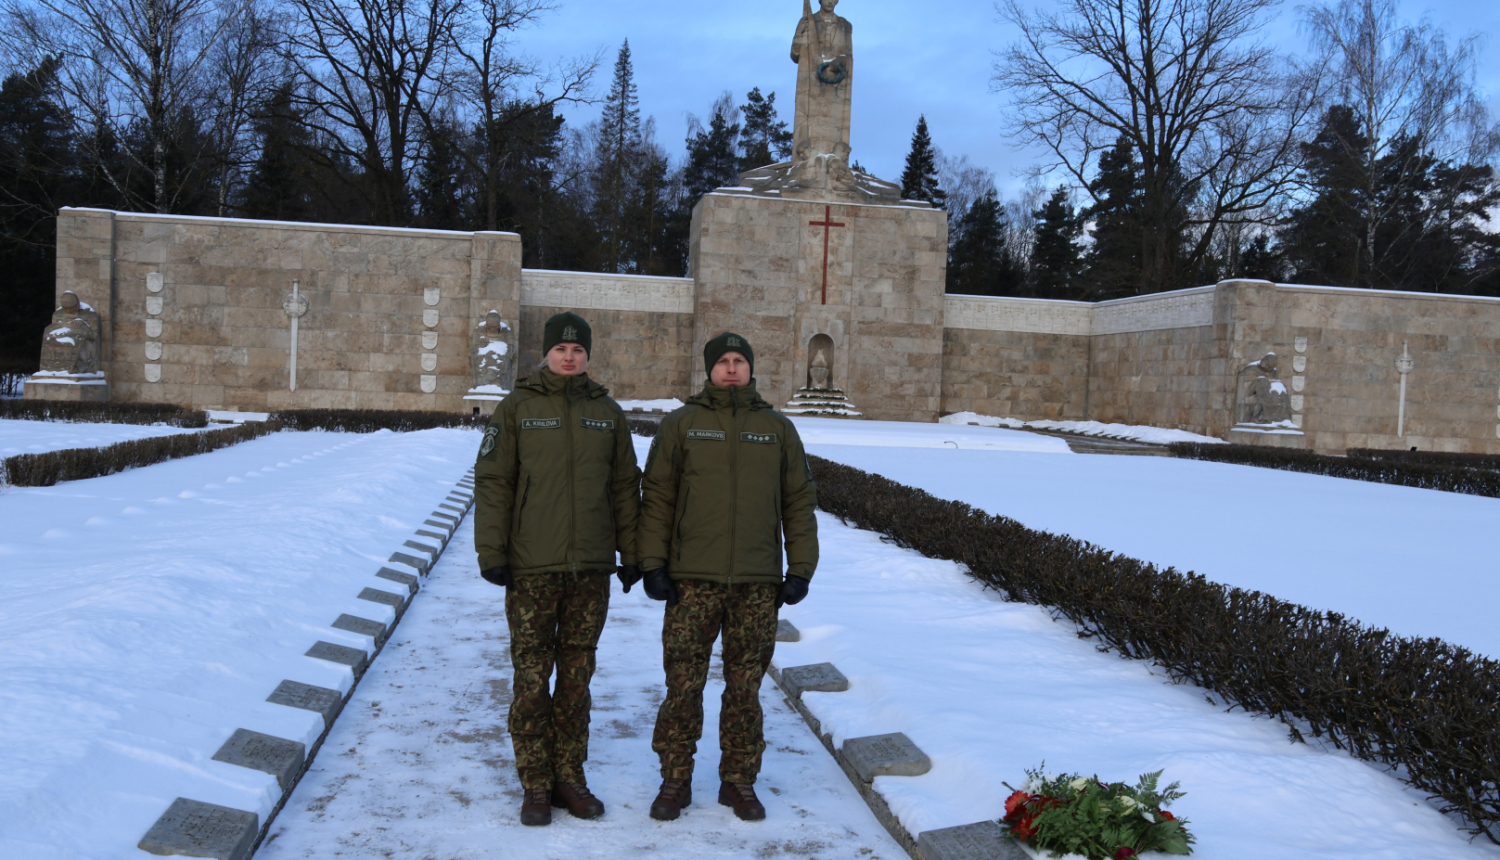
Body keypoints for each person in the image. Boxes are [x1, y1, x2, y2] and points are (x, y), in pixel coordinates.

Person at [637, 332, 819, 822]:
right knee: (683, 685)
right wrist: (652, 563)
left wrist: (800, 568)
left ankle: (738, 780)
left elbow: (799, 501)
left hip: (757, 584)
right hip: (692, 579)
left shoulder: (776, 429)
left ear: (751, 368)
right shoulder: (682, 424)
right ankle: (675, 778)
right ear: (709, 369)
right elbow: (657, 496)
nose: (732, 369)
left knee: (745, 688)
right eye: (723, 361)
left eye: (740, 361)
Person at [473, 311, 642, 826]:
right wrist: (492, 553)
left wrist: (631, 554)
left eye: (578, 350)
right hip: (532, 566)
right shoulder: (518, 407)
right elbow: (495, 481)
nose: (569, 357)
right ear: (546, 353)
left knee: (576, 678)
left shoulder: (607, 414)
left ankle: (569, 775)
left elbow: (624, 488)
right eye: (561, 349)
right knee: (531, 677)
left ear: (589, 355)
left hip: (590, 569)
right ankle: (535, 784)